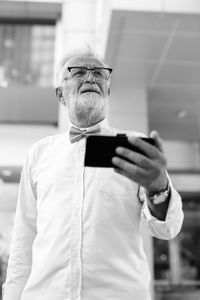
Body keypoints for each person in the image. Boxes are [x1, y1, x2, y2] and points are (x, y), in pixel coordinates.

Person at [2, 46, 184, 300]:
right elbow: (23, 239)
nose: (90, 77)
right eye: (78, 72)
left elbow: (169, 229)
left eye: (99, 73)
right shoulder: (38, 154)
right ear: (60, 94)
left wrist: (159, 188)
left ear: (107, 89)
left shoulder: (136, 146)